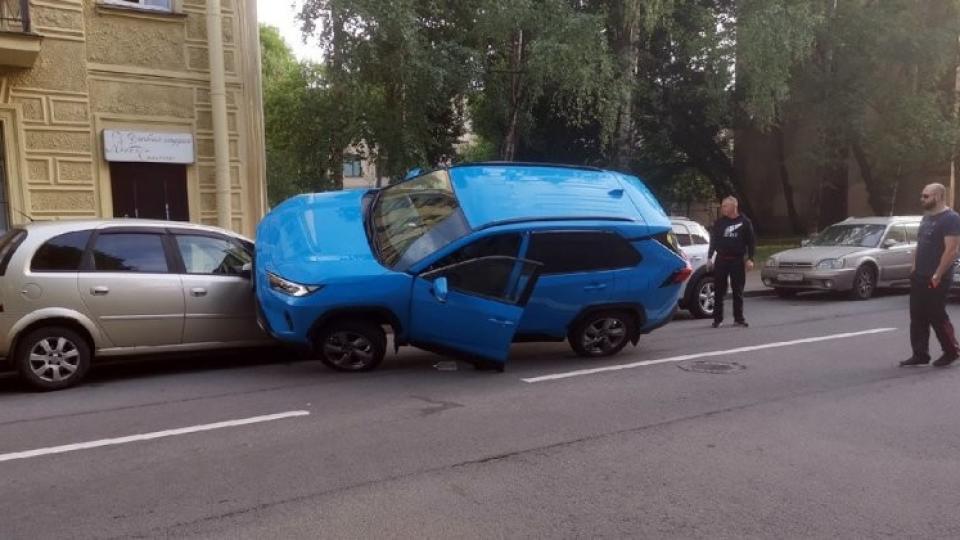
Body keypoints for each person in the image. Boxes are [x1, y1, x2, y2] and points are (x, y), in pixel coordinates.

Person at [900, 183, 960, 367]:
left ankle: (951, 351)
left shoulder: (951, 218)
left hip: (937, 276)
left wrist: (938, 274)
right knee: (917, 315)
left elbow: (952, 250)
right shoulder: (926, 218)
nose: (922, 199)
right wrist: (914, 267)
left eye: (926, 196)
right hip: (920, 275)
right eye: (922, 195)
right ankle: (920, 354)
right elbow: (920, 244)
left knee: (936, 314)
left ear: (939, 196)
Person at [708, 196, 756, 328]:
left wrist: (750, 259)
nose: (722, 208)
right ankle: (717, 319)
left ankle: (738, 319)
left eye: (725, 206)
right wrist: (709, 258)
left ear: (733, 207)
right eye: (722, 206)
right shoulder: (719, 223)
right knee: (719, 290)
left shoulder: (745, 222)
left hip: (737, 260)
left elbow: (751, 242)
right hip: (721, 260)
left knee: (738, 290)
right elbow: (714, 242)